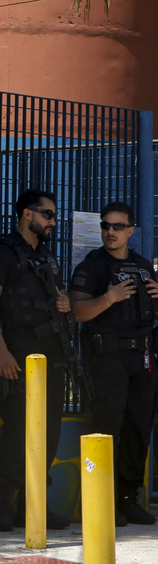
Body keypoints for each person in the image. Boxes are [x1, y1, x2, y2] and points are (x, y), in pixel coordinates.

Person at [69, 202, 158, 526]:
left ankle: (128, 498)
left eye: (116, 227)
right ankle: (100, 501)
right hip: (107, 356)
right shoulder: (92, 266)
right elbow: (79, 312)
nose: (110, 232)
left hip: (142, 356)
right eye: (105, 226)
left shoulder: (142, 266)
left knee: (137, 428)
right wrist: (109, 298)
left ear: (130, 230)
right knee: (107, 427)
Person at [0, 189, 73, 532]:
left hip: (52, 361)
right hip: (16, 360)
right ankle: (4, 505)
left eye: (54, 216)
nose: (52, 222)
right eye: (47, 215)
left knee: (48, 436)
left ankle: (33, 507)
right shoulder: (4, 252)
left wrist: (64, 305)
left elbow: (58, 300)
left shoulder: (47, 257)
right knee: (17, 434)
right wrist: (1, 353)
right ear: (27, 214)